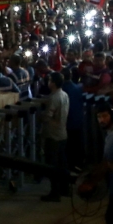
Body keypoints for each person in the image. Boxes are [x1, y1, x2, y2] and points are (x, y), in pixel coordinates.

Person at [39, 73, 69, 201]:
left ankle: (55, 192)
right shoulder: (64, 94)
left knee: (52, 165)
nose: (48, 82)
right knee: (63, 164)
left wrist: (40, 116)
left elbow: (48, 116)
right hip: (62, 133)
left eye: (50, 80)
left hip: (53, 134)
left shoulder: (53, 97)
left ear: (54, 83)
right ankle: (65, 188)